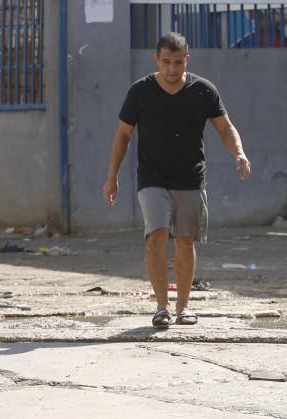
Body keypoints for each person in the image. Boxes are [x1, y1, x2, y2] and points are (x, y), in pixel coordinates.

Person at [103, 32, 251, 327]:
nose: (172, 69)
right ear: (156, 59)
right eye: (167, 62)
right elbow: (122, 136)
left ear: (187, 60)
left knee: (185, 241)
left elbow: (225, 128)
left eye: (178, 62)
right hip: (152, 177)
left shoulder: (203, 91)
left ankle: (183, 308)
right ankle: (161, 307)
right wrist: (112, 177)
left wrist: (239, 153)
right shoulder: (140, 92)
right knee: (157, 234)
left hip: (190, 178)